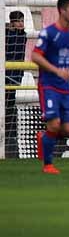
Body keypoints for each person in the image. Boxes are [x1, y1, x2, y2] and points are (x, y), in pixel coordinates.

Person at [30, 0, 69, 174]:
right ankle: (48, 165)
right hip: (48, 85)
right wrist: (56, 71)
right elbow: (35, 56)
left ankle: (44, 137)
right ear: (62, 10)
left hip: (65, 87)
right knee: (54, 125)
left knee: (68, 130)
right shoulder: (48, 33)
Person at [5, 9, 26, 143]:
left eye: (23, 21)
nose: (22, 24)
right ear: (13, 23)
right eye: (19, 21)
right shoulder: (8, 35)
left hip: (14, 75)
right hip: (7, 74)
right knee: (6, 103)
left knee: (10, 103)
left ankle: (9, 134)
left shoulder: (22, 36)